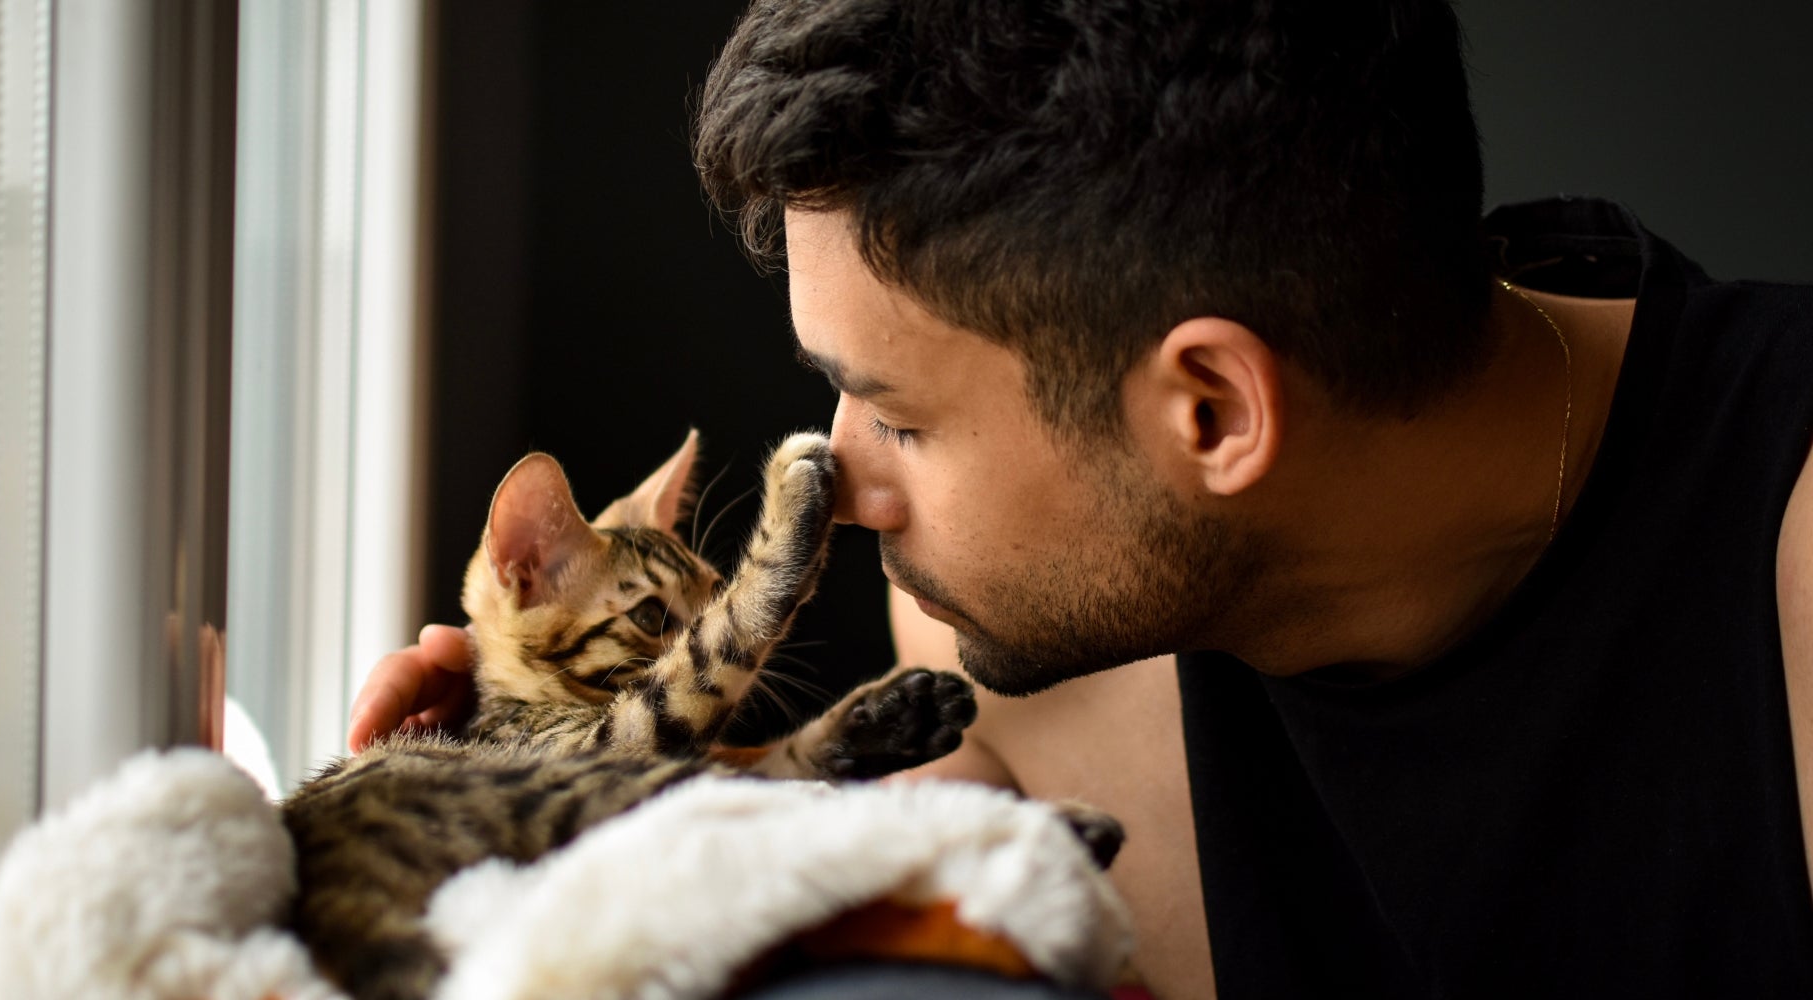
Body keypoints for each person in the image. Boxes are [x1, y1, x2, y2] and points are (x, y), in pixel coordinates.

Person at [351, 1, 1813, 996]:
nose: (841, 483)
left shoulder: (1790, 575)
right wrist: (520, 845)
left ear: (1212, 411)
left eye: (903, 419)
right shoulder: (990, 641)